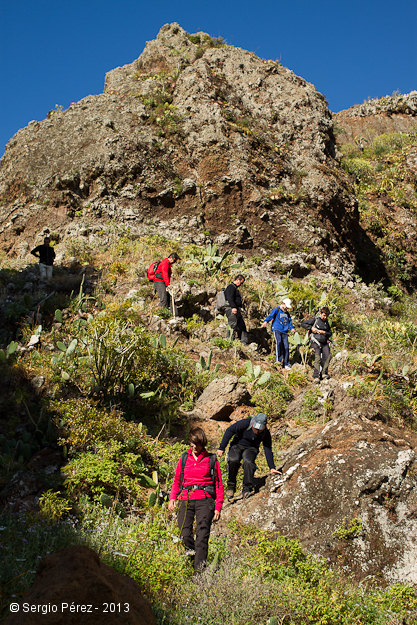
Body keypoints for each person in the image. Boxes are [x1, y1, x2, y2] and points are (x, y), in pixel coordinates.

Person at [168, 427, 224, 572]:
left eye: (196, 444)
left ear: (202, 444)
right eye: (191, 444)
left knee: (202, 536)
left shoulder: (211, 459)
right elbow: (176, 480)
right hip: (185, 499)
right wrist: (172, 498)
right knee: (184, 534)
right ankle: (193, 559)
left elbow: (218, 485)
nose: (193, 447)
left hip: (205, 501)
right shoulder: (184, 458)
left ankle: (199, 572)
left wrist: (218, 507)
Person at [217, 413, 281, 500]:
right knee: (233, 460)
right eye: (256, 428)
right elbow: (230, 430)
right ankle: (231, 486)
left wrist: (272, 467)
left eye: (260, 429)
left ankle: (246, 488)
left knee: (248, 462)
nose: (257, 431)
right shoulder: (245, 423)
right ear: (253, 423)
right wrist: (221, 448)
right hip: (237, 445)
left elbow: (268, 449)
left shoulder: (266, 434)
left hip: (251, 449)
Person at [262, 298, 295, 370]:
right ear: (283, 304)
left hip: (285, 331)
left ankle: (286, 363)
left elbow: (289, 322)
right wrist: (266, 321)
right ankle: (278, 361)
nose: (287, 308)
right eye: (286, 306)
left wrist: (292, 328)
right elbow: (270, 316)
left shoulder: (287, 313)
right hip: (277, 329)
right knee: (279, 343)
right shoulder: (276, 310)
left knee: (286, 347)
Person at [300, 306, 332, 381]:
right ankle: (316, 376)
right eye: (324, 315)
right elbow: (303, 324)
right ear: (320, 313)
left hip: (324, 342)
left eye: (327, 316)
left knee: (327, 355)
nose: (325, 317)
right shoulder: (315, 320)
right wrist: (311, 328)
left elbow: (330, 333)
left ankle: (324, 373)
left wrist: (324, 332)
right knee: (317, 357)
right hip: (315, 341)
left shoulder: (327, 323)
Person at [224, 274, 248, 344]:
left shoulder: (234, 288)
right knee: (232, 325)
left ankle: (244, 342)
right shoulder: (230, 287)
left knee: (242, 326)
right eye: (241, 283)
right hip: (231, 309)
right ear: (237, 279)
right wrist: (233, 307)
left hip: (236, 309)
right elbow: (229, 298)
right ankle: (229, 341)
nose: (241, 285)